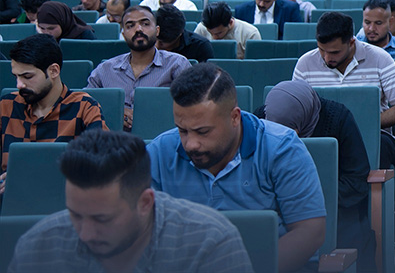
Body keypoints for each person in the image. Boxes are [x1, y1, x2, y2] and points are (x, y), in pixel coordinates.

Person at [147, 63, 326, 273]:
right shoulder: (159, 152)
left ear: (234, 117)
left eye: (203, 132)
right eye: (182, 130)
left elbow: (310, 231)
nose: (190, 144)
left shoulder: (282, 148)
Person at [8, 129, 254, 273]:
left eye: (102, 219)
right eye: (75, 214)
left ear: (145, 202)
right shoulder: (37, 247)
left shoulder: (210, 243)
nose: (85, 233)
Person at [260, 81, 375, 272]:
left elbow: (356, 180)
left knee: (351, 234)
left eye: (292, 131)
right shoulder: (262, 120)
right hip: (275, 206)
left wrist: (307, 199)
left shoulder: (338, 118)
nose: (286, 138)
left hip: (334, 205)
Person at [294, 11, 395, 169]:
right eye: (322, 50)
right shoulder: (305, 63)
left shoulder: (380, 58)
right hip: (322, 137)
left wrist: (364, 123)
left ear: (351, 42)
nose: (327, 58)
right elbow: (295, 111)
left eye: (335, 52)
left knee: (380, 148)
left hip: (371, 135)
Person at [1, 34, 105, 179]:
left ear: (54, 71)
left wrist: (24, 178)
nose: (19, 85)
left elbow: (101, 164)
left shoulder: (84, 107)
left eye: (27, 77)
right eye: (16, 76)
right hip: (8, 191)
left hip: (63, 189)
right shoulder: (6, 105)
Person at [87, 5, 191, 130]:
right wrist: (115, 112)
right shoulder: (104, 70)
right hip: (113, 138)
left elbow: (193, 104)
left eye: (145, 24)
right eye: (130, 26)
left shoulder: (177, 64)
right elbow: (84, 105)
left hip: (160, 134)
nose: (138, 29)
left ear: (157, 30)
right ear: (123, 34)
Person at [235, 0, 302, 38]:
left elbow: (296, 36)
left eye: (267, 1)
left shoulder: (290, 9)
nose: (261, 4)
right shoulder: (241, 11)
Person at [194, 1, 261, 59]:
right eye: (210, 33)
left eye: (218, 33)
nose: (214, 37)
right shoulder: (201, 28)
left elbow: (254, 65)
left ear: (230, 22)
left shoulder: (250, 34)